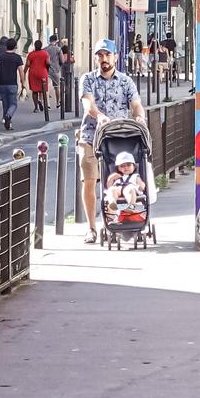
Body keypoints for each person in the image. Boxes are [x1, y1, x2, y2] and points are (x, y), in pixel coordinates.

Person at [78, 39, 144, 244]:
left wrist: (140, 117)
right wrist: (99, 116)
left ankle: (122, 219)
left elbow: (136, 104)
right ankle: (91, 228)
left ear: (115, 56)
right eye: (100, 55)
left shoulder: (125, 81)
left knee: (121, 179)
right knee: (89, 179)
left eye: (107, 55)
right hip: (91, 135)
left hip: (118, 138)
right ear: (96, 58)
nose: (104, 59)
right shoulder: (88, 79)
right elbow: (88, 103)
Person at [0, 38, 26, 131]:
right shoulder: (17, 57)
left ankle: (7, 123)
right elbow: (21, 71)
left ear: (6, 46)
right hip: (12, 84)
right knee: (13, 104)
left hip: (2, 83)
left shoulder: (0, 56)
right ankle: (8, 116)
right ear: (15, 47)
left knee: (5, 104)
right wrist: (23, 83)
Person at [24, 40, 51, 116]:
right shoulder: (45, 53)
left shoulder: (31, 54)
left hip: (33, 73)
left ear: (35, 46)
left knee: (34, 90)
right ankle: (41, 101)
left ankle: (36, 107)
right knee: (42, 89)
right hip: (43, 72)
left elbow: (27, 64)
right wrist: (47, 69)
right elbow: (48, 63)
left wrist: (24, 72)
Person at [45, 34, 62, 111]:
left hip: (47, 70)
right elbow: (62, 60)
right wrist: (59, 65)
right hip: (56, 70)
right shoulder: (58, 49)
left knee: (47, 88)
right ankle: (58, 103)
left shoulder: (45, 49)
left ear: (50, 40)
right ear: (56, 41)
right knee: (57, 87)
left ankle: (48, 104)